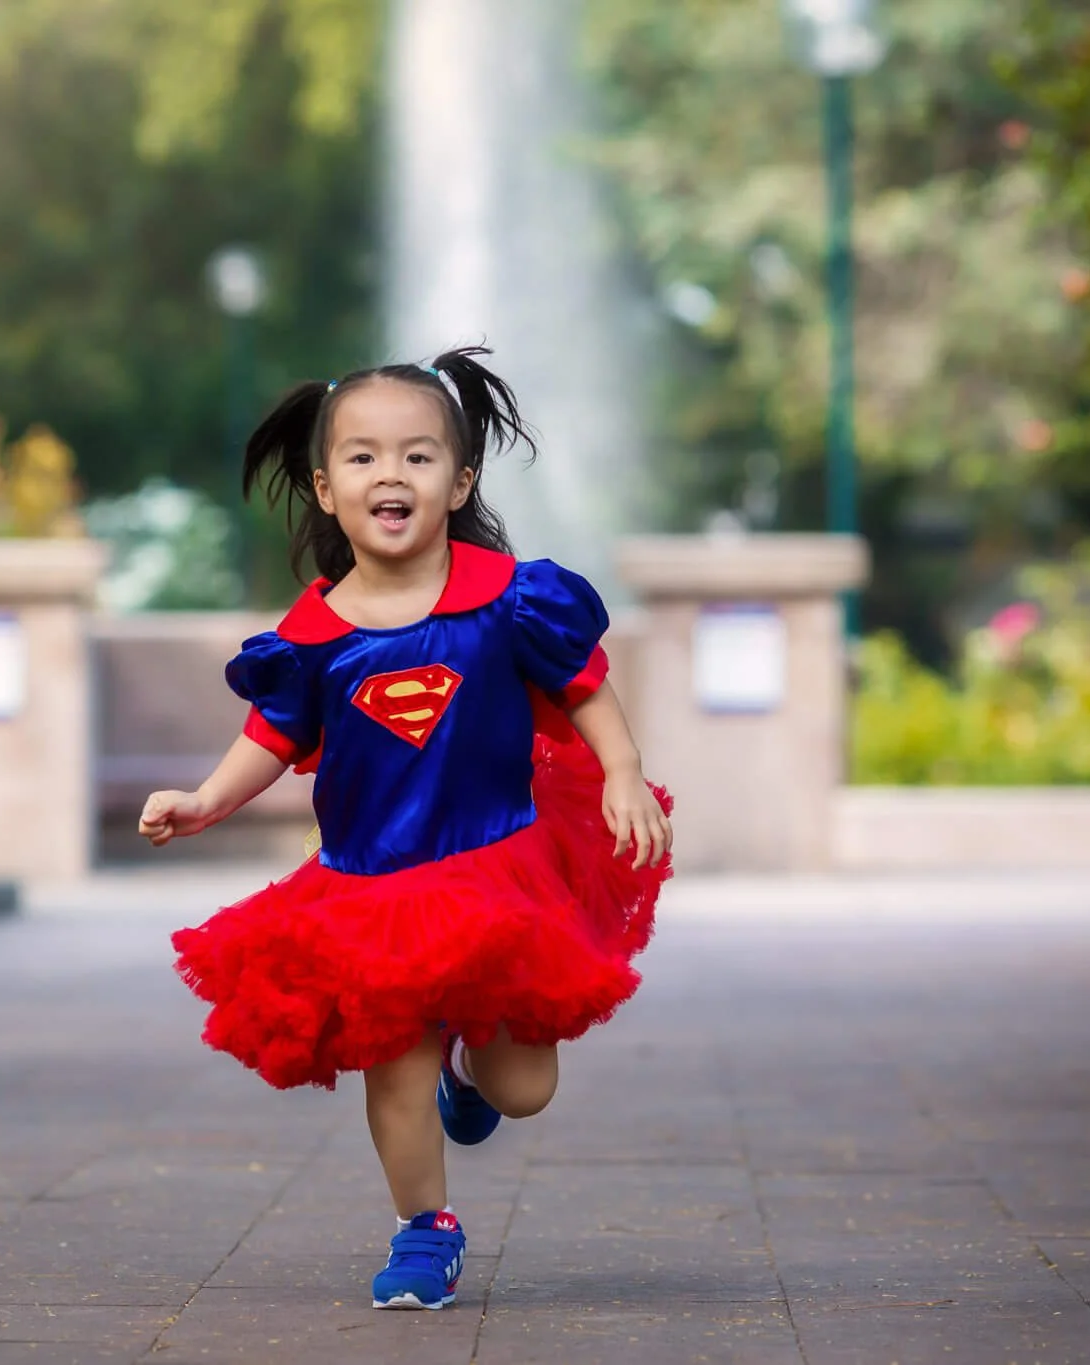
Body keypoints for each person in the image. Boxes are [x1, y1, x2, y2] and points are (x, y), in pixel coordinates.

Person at [138, 346, 674, 1311]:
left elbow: (583, 685)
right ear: (325, 487)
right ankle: (425, 1227)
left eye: (419, 457)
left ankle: (472, 1069)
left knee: (525, 1090)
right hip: (374, 885)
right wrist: (207, 798)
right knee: (395, 1057)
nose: (391, 473)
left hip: (500, 864)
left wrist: (624, 774)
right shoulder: (314, 634)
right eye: (363, 457)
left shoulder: (508, 596)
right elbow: (272, 732)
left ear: (460, 480)